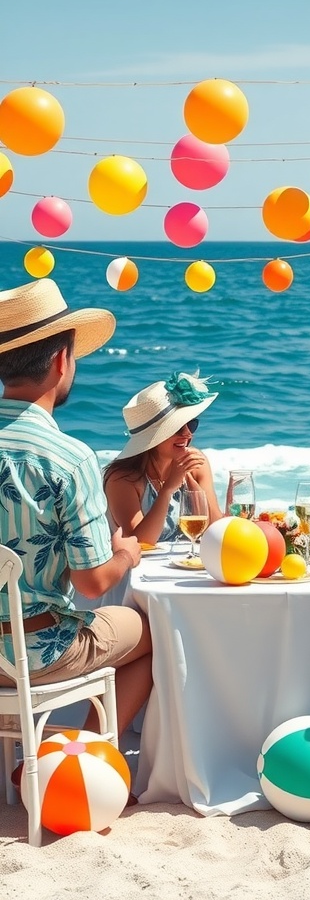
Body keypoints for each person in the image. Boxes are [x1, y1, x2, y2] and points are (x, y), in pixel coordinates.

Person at [0, 279, 152, 744]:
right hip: (34, 653)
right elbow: (92, 583)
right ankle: (80, 753)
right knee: (151, 635)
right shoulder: (69, 459)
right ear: (62, 360)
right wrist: (126, 554)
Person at [104, 372, 222, 545]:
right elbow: (139, 543)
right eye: (177, 428)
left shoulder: (196, 465)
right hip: (137, 569)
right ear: (154, 438)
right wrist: (168, 490)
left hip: (183, 564)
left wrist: (190, 481)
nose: (188, 434)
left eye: (191, 424)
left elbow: (217, 530)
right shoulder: (122, 479)